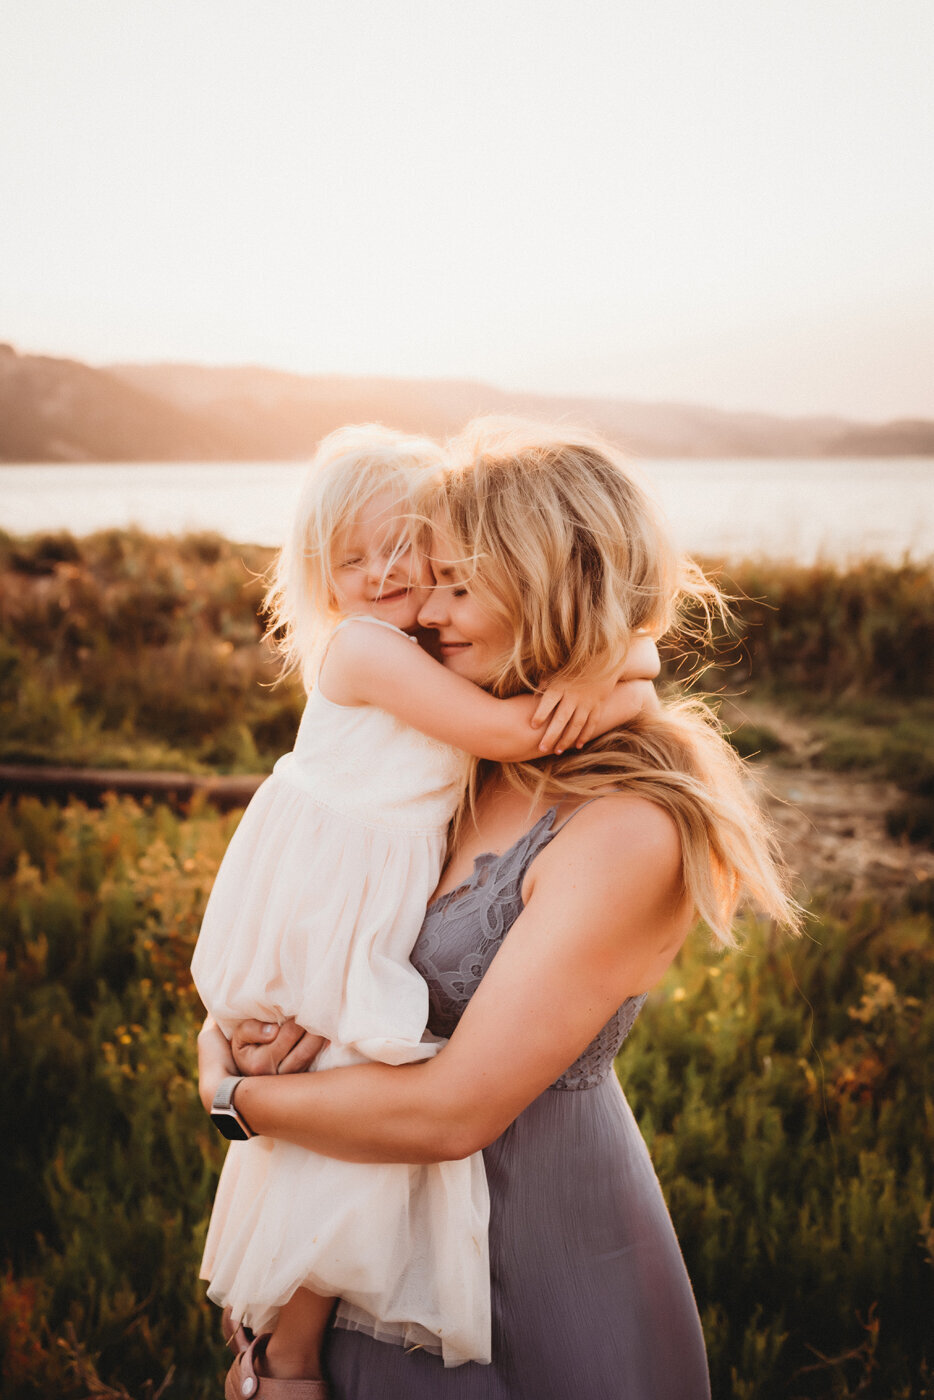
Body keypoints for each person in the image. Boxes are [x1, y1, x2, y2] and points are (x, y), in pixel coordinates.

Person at [198, 420, 797, 1400]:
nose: (421, 607)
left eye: (457, 582)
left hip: (531, 1255)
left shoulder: (624, 823)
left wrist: (227, 1096)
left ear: (547, 584)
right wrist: (242, 1032)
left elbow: (452, 1107)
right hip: (369, 1238)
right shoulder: (459, 757)